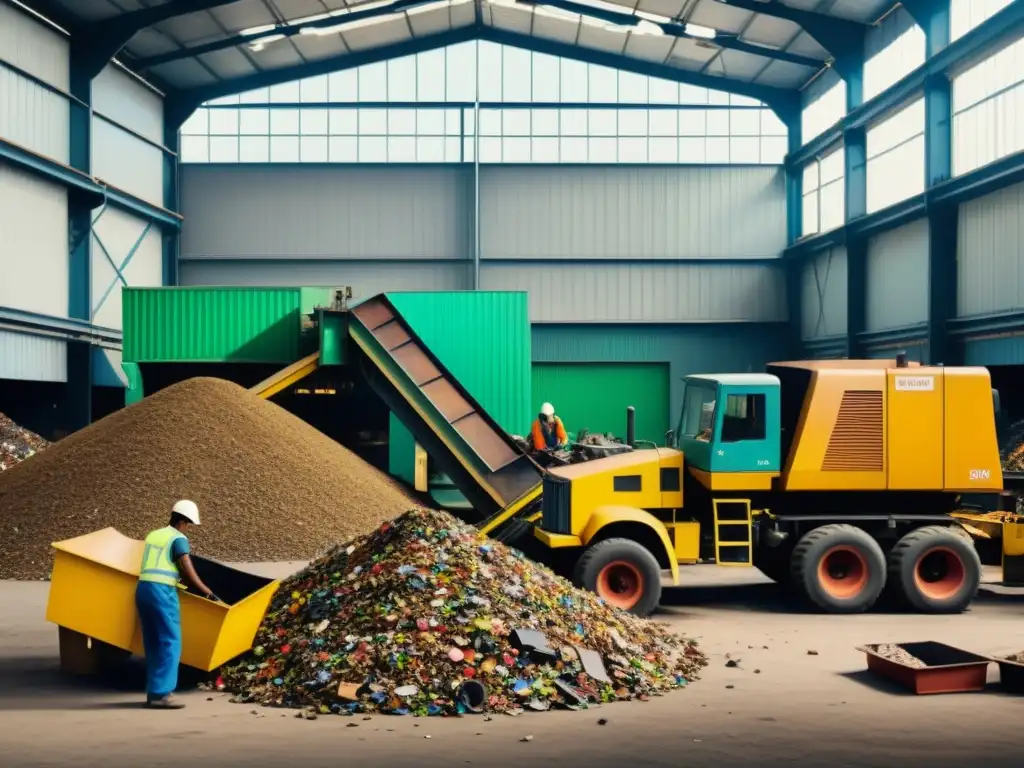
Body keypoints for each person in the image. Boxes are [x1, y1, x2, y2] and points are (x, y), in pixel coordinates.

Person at [136, 499, 220, 709]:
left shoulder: (154, 535)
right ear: (182, 521)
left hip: (143, 589)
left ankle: (153, 692)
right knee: (170, 641)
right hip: (162, 592)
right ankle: (163, 693)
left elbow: (159, 563)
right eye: (188, 524)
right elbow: (187, 569)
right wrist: (208, 593)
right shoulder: (178, 539)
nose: (187, 528)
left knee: (153, 642)